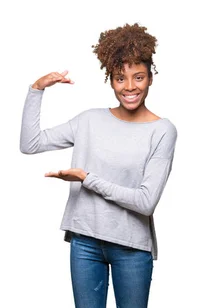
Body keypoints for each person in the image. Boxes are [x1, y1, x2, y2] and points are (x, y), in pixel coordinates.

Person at [20, 23, 177, 308]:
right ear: (111, 80)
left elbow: (145, 202)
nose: (130, 87)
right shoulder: (89, 120)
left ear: (150, 78)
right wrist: (36, 90)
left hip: (131, 247)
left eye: (138, 77)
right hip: (85, 242)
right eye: (120, 78)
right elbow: (30, 144)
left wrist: (86, 178)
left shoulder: (162, 130)